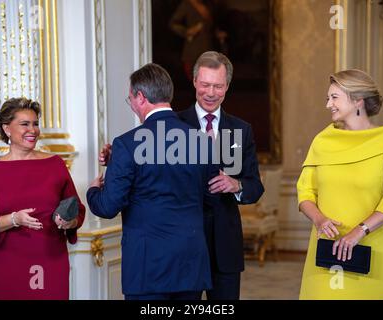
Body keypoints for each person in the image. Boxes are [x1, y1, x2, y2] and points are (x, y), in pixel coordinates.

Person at [87, 63, 217, 300]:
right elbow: (210, 198)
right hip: (191, 262)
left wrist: (94, 190)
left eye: (130, 99)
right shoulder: (202, 141)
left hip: (148, 267)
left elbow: (107, 207)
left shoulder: (127, 144)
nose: (132, 106)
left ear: (140, 97)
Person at [297, 69, 383, 299]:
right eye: (327, 98)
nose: (328, 104)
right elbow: (305, 191)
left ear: (358, 99)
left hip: (373, 250)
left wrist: (360, 231)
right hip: (327, 248)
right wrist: (319, 220)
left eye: (334, 97)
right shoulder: (322, 141)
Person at [0, 97, 85, 300]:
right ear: (7, 129)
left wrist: (69, 221)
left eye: (35, 124)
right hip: (8, 265)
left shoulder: (55, 165)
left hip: (51, 260)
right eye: (24, 124)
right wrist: (14, 219)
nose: (32, 130)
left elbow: (76, 209)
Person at [178, 51, 264, 300]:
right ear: (194, 81)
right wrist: (115, 157)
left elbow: (255, 186)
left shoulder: (241, 130)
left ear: (227, 86)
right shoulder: (174, 125)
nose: (210, 92)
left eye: (218, 86)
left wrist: (236, 184)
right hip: (183, 247)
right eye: (205, 84)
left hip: (225, 248)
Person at [169, 0, 227, 80]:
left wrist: (217, 33)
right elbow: (173, 24)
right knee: (195, 81)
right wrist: (187, 31)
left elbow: (211, 26)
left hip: (209, 49)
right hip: (193, 51)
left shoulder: (209, 5)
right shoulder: (187, 4)